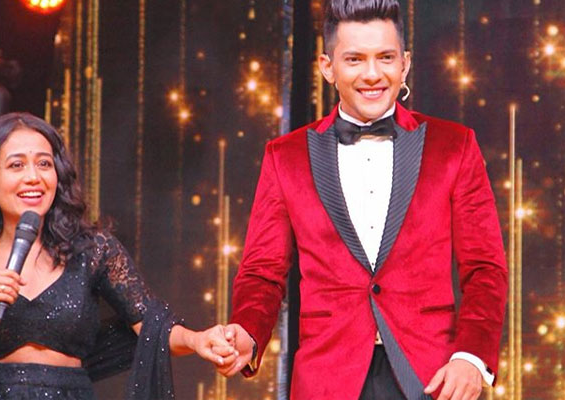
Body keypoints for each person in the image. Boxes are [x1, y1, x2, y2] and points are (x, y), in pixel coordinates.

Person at [217, 1, 508, 399]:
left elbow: (485, 269)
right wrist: (248, 331)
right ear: (327, 67)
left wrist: (471, 357)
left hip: (433, 378)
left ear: (404, 64)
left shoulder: (454, 146)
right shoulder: (285, 157)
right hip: (326, 380)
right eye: (354, 59)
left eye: (385, 57)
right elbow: (262, 273)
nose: (372, 74)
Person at [0, 112, 236, 399]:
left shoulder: (93, 249)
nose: (33, 177)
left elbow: (152, 327)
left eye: (44, 164)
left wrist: (198, 340)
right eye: (17, 165)